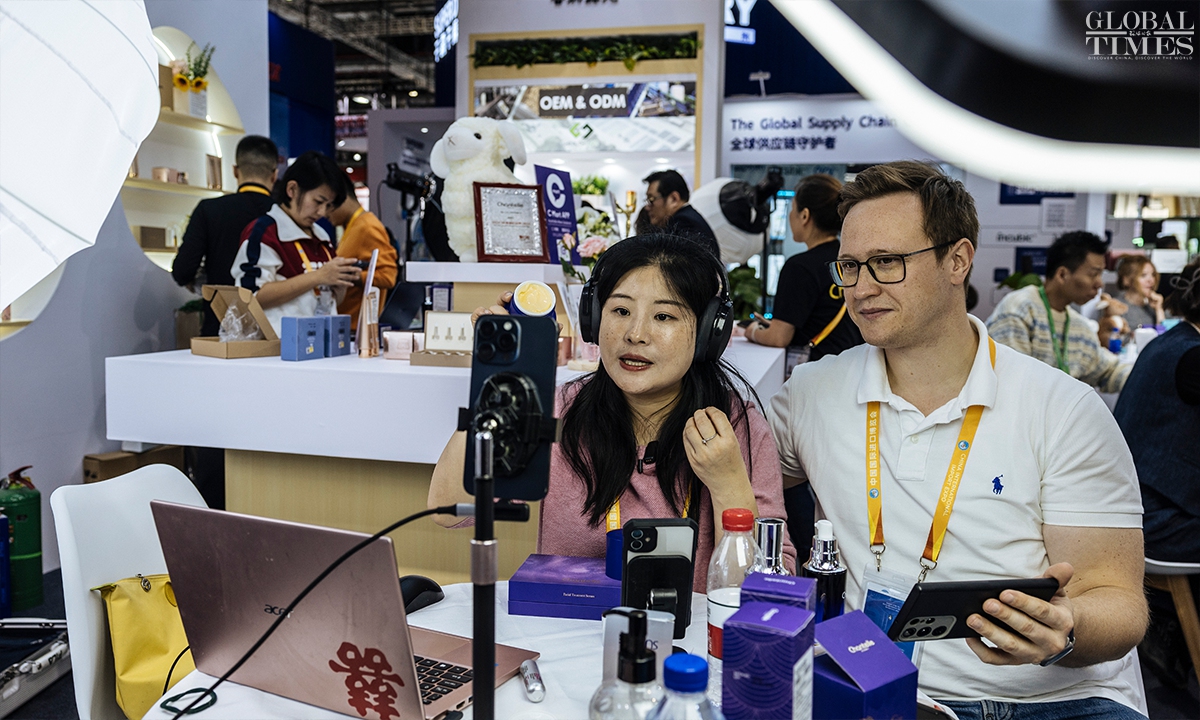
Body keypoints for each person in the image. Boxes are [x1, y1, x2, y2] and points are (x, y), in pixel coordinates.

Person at [768, 161, 1147, 719]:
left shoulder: (1062, 408)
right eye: (849, 266)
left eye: (887, 262)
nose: (862, 288)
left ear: (958, 260)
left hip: (1056, 699)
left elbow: (1118, 600)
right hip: (882, 688)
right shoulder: (812, 392)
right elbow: (734, 479)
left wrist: (1066, 626)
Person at [427, 234, 796, 589]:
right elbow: (446, 510)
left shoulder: (737, 428)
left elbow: (767, 588)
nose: (635, 334)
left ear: (707, 334)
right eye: (620, 310)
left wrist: (728, 482)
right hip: (572, 628)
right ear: (594, 319)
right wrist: (500, 379)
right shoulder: (560, 411)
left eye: (663, 317)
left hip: (689, 633)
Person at [1113, 260, 1200, 689]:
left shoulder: (1172, 342)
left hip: (1144, 509)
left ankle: (1168, 635)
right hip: (1161, 521)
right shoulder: (1192, 357)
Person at [230, 151, 360, 336]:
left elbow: (328, 301)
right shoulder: (265, 233)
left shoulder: (321, 236)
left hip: (321, 341)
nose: (322, 212)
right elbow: (250, 297)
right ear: (292, 189)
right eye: (318, 201)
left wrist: (340, 285)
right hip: (278, 347)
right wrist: (318, 276)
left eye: (329, 206)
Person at [986, 231, 1131, 393]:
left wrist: (1145, 376)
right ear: (1062, 274)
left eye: (1101, 274)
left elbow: (1107, 371)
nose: (1099, 283)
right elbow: (1011, 381)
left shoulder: (1078, 326)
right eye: (1093, 274)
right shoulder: (1019, 310)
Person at [744, 174, 863, 361]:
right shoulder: (851, 260)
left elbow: (778, 338)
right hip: (855, 362)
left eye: (793, 209)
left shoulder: (799, 267)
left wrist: (751, 331)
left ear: (805, 215)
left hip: (818, 367)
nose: (790, 216)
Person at [171, 135, 278, 337]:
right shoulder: (282, 216)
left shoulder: (209, 210)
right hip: (273, 331)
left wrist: (196, 281)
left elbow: (182, 270)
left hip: (220, 329)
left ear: (235, 171)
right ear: (274, 175)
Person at [329, 173, 398, 330]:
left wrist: (351, 277)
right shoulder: (352, 226)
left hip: (357, 328)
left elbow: (388, 276)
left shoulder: (367, 226)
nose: (323, 212)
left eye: (327, 205)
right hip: (346, 325)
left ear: (343, 197)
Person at [642, 170, 721, 260]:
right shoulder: (690, 218)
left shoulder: (682, 223)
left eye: (651, 199)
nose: (647, 207)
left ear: (674, 199)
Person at [1113, 255, 1165, 330]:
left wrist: (1159, 309)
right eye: (1143, 275)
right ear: (1126, 280)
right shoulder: (1116, 306)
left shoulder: (1155, 306)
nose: (1151, 280)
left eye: (1153, 275)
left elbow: (1164, 334)